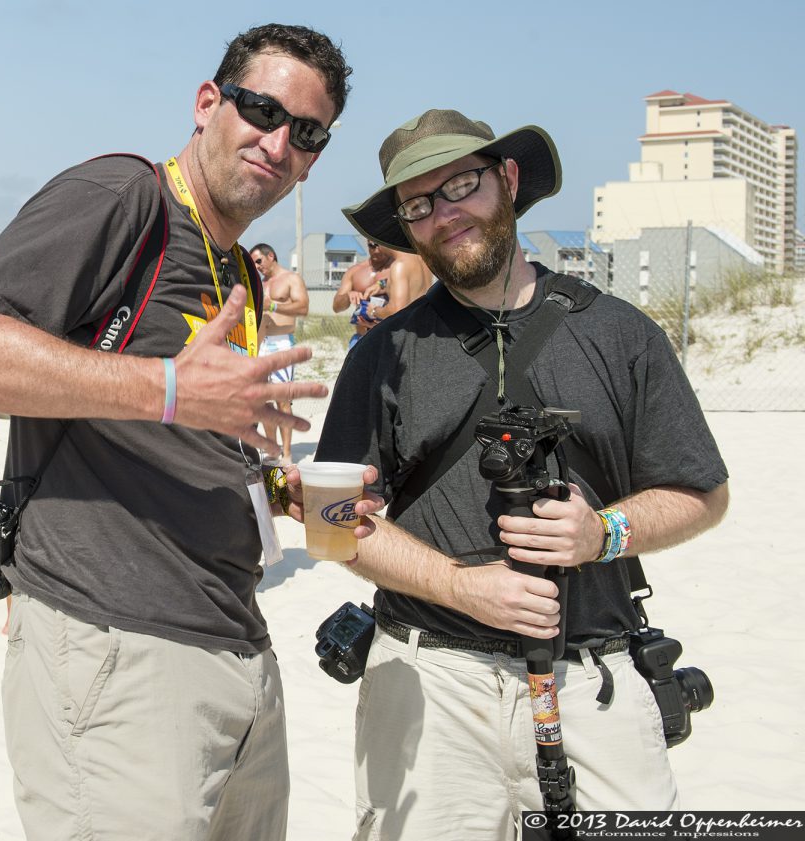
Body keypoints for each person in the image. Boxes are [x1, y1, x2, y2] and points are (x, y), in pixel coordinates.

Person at [0, 24, 355, 841]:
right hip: (119, 651)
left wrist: (277, 491)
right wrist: (167, 388)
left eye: (306, 132)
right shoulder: (125, 198)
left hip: (234, 647)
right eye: (260, 109)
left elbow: (189, 428)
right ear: (207, 103)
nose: (277, 141)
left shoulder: (237, 271)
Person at [313, 109, 730, 839]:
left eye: (462, 185)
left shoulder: (621, 333)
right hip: (429, 685)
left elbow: (701, 491)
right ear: (406, 227)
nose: (445, 215)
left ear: (507, 179)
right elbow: (327, 518)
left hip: (594, 679)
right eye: (419, 204)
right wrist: (459, 585)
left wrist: (604, 532)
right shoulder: (382, 354)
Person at [250, 242, 309, 464]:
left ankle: (287, 452)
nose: (257, 266)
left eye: (259, 261)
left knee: (282, 401)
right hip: (261, 345)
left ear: (271, 256)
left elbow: (303, 308)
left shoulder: (291, 279)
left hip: (281, 344)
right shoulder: (260, 283)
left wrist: (272, 306)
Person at [332, 240, 431, 348]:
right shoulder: (355, 271)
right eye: (372, 245)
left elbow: (397, 308)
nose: (377, 250)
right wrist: (348, 296)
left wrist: (373, 311)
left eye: (378, 244)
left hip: (391, 338)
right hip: (362, 339)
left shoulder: (398, 266)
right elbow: (336, 308)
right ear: (367, 243)